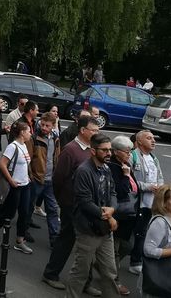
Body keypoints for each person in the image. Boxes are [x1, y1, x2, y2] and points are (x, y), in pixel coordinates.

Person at [42, 115, 100, 292]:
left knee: (89, 245)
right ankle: (50, 274)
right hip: (72, 205)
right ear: (83, 130)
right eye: (93, 130)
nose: (97, 133)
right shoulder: (71, 150)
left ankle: (85, 282)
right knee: (66, 240)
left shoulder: (92, 149)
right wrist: (64, 201)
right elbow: (58, 179)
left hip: (88, 204)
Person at [65, 133, 119, 298]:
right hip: (88, 229)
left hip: (104, 230)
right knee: (81, 271)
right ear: (93, 151)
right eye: (104, 150)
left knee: (109, 271)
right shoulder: (83, 171)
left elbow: (113, 192)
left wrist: (112, 209)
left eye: (110, 150)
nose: (109, 153)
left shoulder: (106, 169)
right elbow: (84, 202)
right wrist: (108, 215)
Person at [0, 120, 34, 254]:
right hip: (15, 186)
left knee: (24, 213)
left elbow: (24, 164)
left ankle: (20, 241)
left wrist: (27, 176)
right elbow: (2, 164)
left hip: (25, 185)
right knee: (9, 212)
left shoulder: (24, 145)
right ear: (22, 133)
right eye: (28, 131)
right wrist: (11, 180)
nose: (30, 133)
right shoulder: (13, 146)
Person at [129, 130, 164, 276]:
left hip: (151, 203)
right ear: (139, 141)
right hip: (137, 202)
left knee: (144, 232)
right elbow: (129, 180)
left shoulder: (154, 158)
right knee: (136, 232)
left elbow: (160, 176)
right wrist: (147, 187)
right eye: (149, 138)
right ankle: (134, 262)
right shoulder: (133, 156)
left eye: (153, 138)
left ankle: (138, 259)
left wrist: (160, 187)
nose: (153, 141)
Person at [26, 111, 61, 247]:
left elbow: (57, 156)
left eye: (47, 125)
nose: (44, 128)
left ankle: (54, 237)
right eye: (42, 125)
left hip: (51, 179)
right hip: (37, 179)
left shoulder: (55, 138)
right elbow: (28, 158)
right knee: (29, 206)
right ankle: (23, 231)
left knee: (52, 209)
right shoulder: (34, 138)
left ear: (53, 126)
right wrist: (31, 176)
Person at [108, 136, 138, 296]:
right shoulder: (113, 167)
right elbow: (120, 191)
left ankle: (104, 267)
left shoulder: (126, 164)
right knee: (115, 250)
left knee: (128, 245)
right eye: (127, 151)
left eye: (130, 151)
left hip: (129, 214)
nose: (129, 154)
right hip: (118, 214)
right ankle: (114, 280)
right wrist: (126, 176)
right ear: (116, 152)